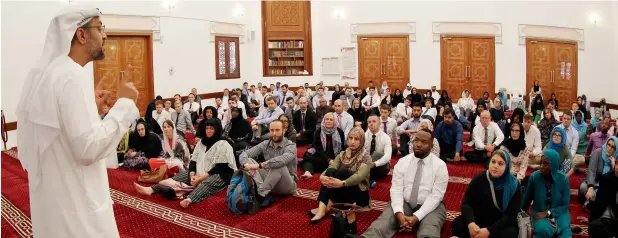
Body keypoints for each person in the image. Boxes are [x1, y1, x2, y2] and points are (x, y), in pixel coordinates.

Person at [16, 6, 140, 237]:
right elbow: (87, 149)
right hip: (77, 210)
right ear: (81, 35)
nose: (105, 35)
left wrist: (90, 110)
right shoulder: (72, 75)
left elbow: (61, 131)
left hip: (57, 205)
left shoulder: (51, 73)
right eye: (100, 28)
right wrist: (125, 104)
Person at [346, 129, 448, 238]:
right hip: (405, 202)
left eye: (423, 142)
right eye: (416, 140)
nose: (418, 144)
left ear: (432, 145)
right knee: (384, 221)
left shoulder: (440, 166)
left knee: (430, 228)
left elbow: (436, 197)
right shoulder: (403, 162)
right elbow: (396, 189)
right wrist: (399, 213)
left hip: (431, 206)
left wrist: (417, 217)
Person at [133, 119, 237, 208]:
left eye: (211, 129)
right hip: (199, 171)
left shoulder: (224, 144)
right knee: (182, 175)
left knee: (207, 183)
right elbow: (193, 161)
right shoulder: (202, 142)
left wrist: (200, 178)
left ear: (217, 129)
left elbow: (219, 167)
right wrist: (192, 175)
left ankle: (190, 198)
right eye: (207, 128)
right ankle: (151, 189)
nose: (208, 131)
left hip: (219, 174)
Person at [308, 128, 372, 229]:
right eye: (350, 138)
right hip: (343, 189)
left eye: (356, 139)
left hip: (359, 193)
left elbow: (359, 177)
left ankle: (327, 205)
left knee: (342, 172)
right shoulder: (343, 154)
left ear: (362, 141)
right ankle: (322, 209)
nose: (352, 141)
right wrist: (322, 177)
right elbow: (331, 167)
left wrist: (342, 183)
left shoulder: (366, 157)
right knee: (330, 172)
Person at [451, 150, 522, 238]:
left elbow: (510, 216)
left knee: (510, 234)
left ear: (507, 167)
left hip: (499, 224)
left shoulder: (514, 185)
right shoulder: (480, 178)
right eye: (493, 162)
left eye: (500, 164)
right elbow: (466, 203)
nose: (495, 166)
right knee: (458, 224)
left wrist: (489, 230)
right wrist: (471, 223)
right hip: (479, 220)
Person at [239, 120, 298, 207]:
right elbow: (245, 154)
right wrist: (245, 164)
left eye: (277, 130)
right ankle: (262, 192)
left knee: (278, 165)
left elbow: (281, 161)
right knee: (249, 161)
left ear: (284, 131)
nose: (274, 133)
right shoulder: (265, 144)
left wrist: (259, 165)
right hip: (269, 182)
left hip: (286, 185)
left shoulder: (291, 146)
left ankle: (260, 195)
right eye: (272, 130)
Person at [521, 150, 572, 238]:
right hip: (539, 213)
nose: (541, 166)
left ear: (554, 165)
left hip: (560, 213)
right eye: (540, 163)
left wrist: (548, 213)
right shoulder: (534, 178)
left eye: (545, 164)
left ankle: (559, 230)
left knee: (565, 233)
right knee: (543, 230)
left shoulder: (563, 179)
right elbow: (526, 200)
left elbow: (565, 205)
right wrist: (519, 215)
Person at [579, 137, 617, 204]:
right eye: (609, 145)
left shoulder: (616, 159)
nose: (609, 148)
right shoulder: (598, 152)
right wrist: (591, 187)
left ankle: (592, 202)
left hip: (607, 186)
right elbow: (591, 170)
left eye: (613, 147)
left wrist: (613, 166)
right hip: (595, 182)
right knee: (583, 188)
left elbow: (614, 180)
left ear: (616, 150)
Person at [588, 160, 618, 238]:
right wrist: (593, 219)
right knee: (594, 227)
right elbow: (599, 202)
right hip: (607, 218)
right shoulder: (606, 179)